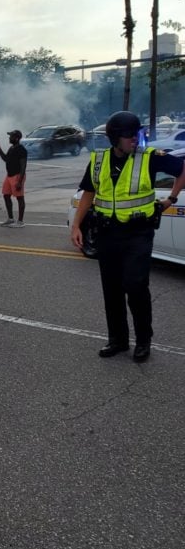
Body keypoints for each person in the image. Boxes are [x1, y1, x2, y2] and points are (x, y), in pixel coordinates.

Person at [70, 110, 185, 362]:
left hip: (138, 233)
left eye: (138, 134)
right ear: (115, 138)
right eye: (130, 135)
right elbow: (89, 192)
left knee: (135, 285)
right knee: (111, 290)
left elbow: (182, 168)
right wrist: (76, 225)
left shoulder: (150, 158)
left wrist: (171, 198)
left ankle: (143, 340)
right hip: (107, 233)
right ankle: (118, 340)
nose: (136, 138)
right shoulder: (99, 160)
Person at [0, 130, 27, 227]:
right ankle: (11, 219)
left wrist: (20, 181)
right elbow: (5, 159)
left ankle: (20, 222)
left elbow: (23, 166)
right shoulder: (11, 148)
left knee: (20, 198)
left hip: (17, 176)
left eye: (11, 136)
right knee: (6, 195)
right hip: (9, 176)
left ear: (16, 138)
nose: (9, 138)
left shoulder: (21, 150)